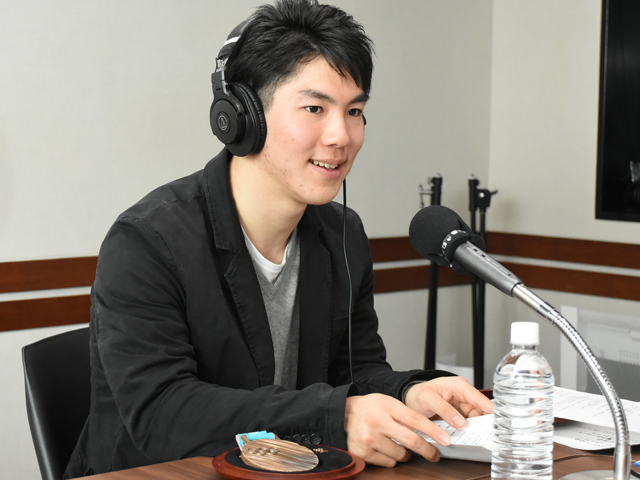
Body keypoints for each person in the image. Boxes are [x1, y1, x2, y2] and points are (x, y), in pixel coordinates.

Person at [64, 0, 493, 477]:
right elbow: (163, 415)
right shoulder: (147, 241)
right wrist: (336, 418)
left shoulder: (343, 234)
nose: (341, 136)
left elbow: (356, 373)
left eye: (354, 111)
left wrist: (408, 392)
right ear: (242, 116)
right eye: (315, 108)